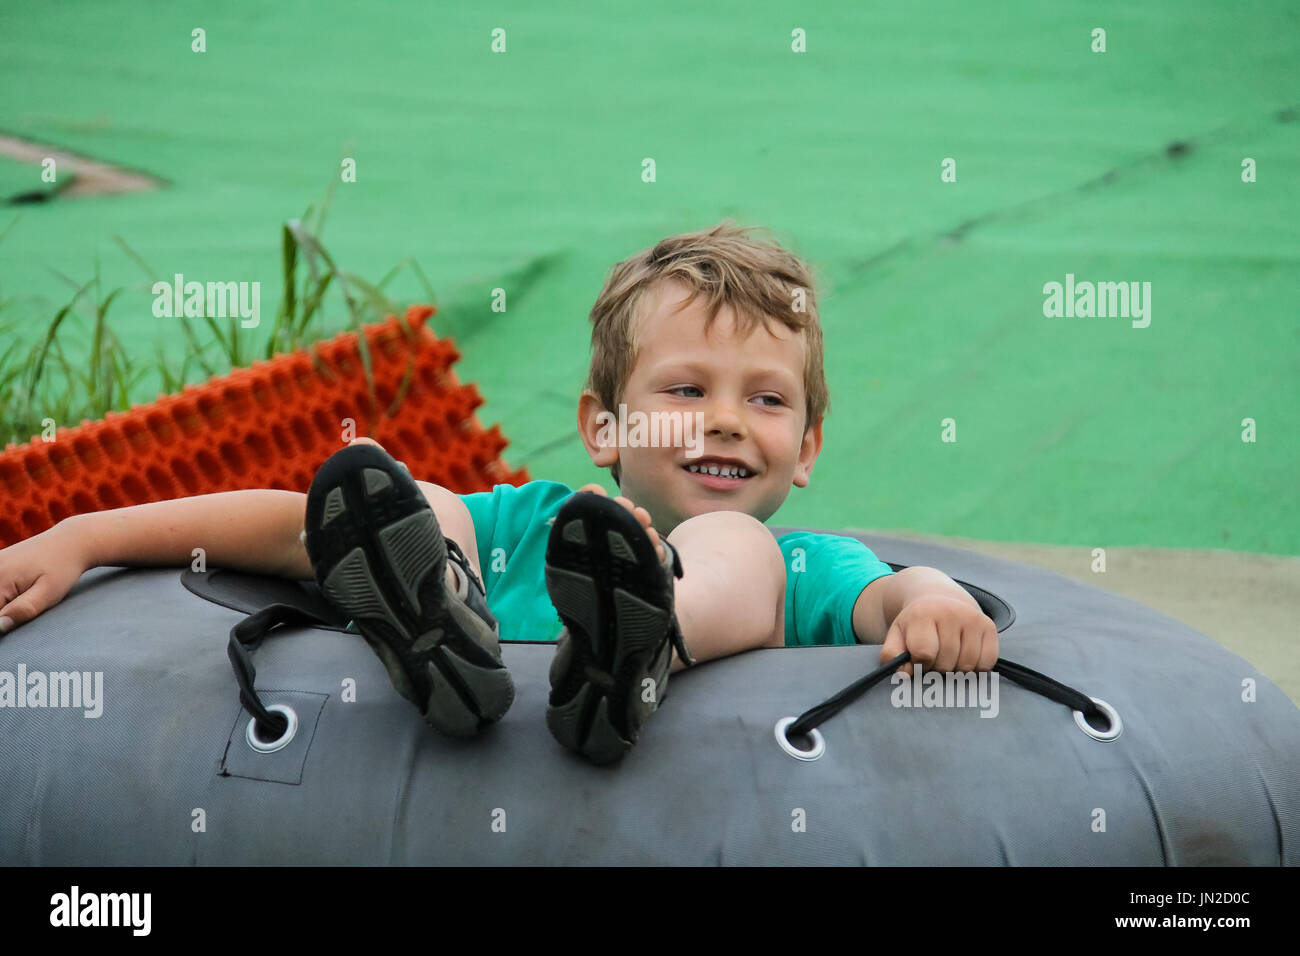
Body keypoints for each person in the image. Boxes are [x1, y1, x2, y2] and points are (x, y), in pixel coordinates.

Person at [0, 221, 998, 765]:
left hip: (686, 639)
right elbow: (285, 528)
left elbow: (887, 596)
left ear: (808, 443)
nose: (726, 419)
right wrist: (87, 534)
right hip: (489, 638)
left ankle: (640, 643)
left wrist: (935, 599)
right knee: (421, 497)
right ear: (602, 425)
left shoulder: (797, 562)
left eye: (766, 399)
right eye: (686, 389)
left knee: (731, 545)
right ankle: (439, 621)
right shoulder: (537, 525)